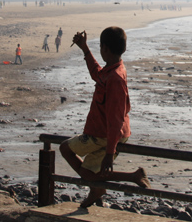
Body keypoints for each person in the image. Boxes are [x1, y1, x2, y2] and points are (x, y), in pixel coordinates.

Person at [60, 27, 150, 208]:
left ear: (105, 49)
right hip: (107, 133)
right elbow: (96, 74)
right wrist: (85, 49)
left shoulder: (115, 78)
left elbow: (115, 117)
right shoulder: (113, 70)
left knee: (65, 149)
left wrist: (110, 151)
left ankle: (101, 187)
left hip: (104, 135)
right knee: (88, 170)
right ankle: (123, 180)